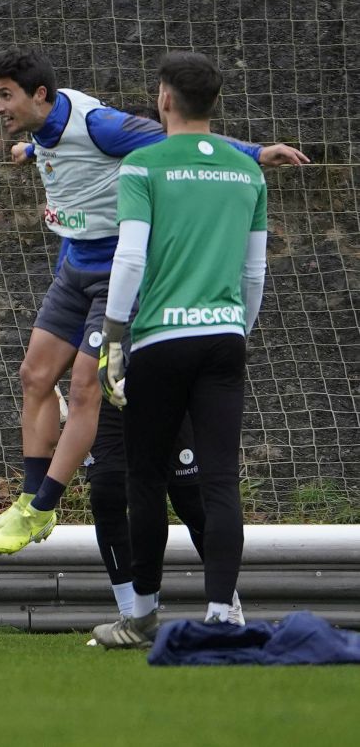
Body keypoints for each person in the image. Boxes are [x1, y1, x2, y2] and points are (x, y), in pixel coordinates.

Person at [0, 48, 305, 554]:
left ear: (39, 95)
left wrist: (254, 152)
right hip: (74, 270)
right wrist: (30, 154)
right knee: (34, 377)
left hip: (118, 275)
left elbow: (184, 140)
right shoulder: (42, 130)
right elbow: (55, 151)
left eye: (5, 96)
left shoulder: (103, 125)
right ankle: (26, 501)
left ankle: (44, 509)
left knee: (85, 388)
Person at [92, 51, 268, 647]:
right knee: (220, 479)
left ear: (164, 99)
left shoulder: (142, 165)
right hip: (224, 338)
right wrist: (238, 330)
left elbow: (132, 257)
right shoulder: (249, 173)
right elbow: (255, 272)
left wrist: (116, 335)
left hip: (161, 340)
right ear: (214, 105)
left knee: (145, 477)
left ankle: (141, 616)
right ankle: (222, 614)